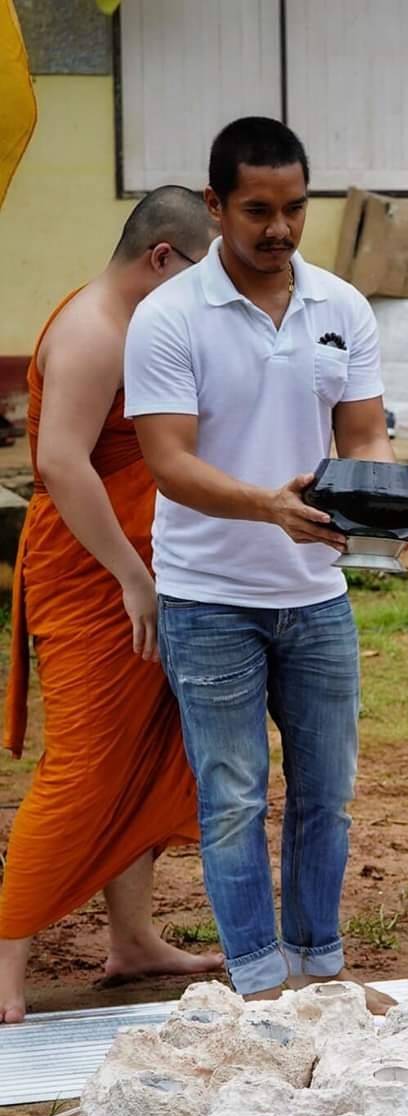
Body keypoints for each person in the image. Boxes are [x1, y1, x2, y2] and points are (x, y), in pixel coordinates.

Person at [125, 118, 395, 1011]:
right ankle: (256, 985)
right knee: (235, 797)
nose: (278, 229)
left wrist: (389, 503)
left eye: (293, 208)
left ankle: (318, 966)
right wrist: (270, 506)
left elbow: (363, 436)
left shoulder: (341, 307)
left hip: (317, 592)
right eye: (256, 211)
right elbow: (168, 460)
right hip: (208, 597)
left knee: (329, 794)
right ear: (215, 206)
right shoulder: (169, 317)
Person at [0, 187, 223, 1023]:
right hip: (98, 576)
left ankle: (132, 939)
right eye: (201, 274)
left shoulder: (142, 322)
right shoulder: (95, 330)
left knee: (152, 753)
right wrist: (133, 576)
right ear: (161, 257)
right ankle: (7, 960)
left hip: (151, 566)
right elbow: (61, 464)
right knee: (87, 766)